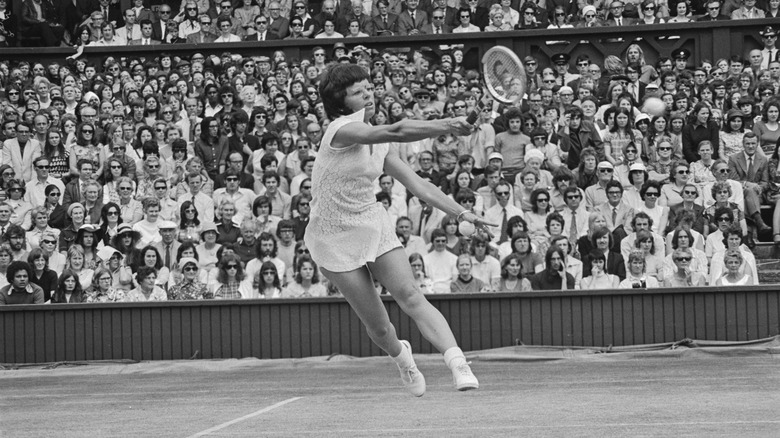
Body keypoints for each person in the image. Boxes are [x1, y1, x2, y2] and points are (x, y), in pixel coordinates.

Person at [304, 63, 486, 396]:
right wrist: (447, 124)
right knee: (378, 327)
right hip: (331, 236)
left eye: (368, 86)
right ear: (343, 104)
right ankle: (403, 358)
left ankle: (458, 363)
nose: (368, 93)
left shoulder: (380, 145)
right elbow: (397, 130)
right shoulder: (340, 130)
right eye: (358, 92)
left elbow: (419, 184)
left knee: (411, 296)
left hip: (371, 223)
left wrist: (461, 213)